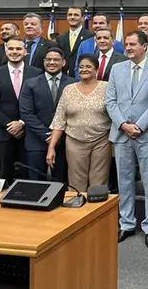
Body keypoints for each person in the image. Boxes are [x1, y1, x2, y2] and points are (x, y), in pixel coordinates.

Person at [107, 31, 148, 247]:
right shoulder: (116, 69)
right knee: (124, 181)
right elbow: (110, 102)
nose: (128, 48)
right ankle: (127, 223)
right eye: (126, 44)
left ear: (144, 46)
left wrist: (138, 126)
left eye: (132, 44)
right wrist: (123, 125)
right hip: (121, 134)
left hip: (147, 134)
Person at [46, 53, 111, 195]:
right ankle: (77, 214)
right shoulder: (69, 89)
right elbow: (59, 121)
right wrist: (51, 148)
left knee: (99, 183)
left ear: (96, 70)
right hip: (74, 141)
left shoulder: (107, 87)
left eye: (88, 66)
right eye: (81, 67)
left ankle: (98, 214)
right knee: (76, 183)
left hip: (101, 141)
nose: (84, 69)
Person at [0, 37, 41, 177]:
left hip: (29, 132)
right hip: (3, 132)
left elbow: (39, 104)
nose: (14, 51)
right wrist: (10, 125)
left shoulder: (37, 73)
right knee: (4, 174)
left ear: (25, 51)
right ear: (5, 51)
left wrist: (21, 123)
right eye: (11, 48)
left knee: (28, 174)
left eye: (18, 48)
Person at [19, 47, 74, 182]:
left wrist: (58, 135)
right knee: (35, 184)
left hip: (64, 141)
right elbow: (26, 113)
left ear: (63, 62)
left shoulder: (73, 84)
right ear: (44, 62)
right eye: (48, 59)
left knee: (61, 183)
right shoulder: (30, 83)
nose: (52, 62)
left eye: (56, 59)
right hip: (36, 142)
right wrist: (48, 134)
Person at [56, 6, 93, 71]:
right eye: (70, 15)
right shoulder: (60, 38)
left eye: (76, 15)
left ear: (83, 18)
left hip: (82, 75)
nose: (72, 17)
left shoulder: (90, 36)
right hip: (64, 77)